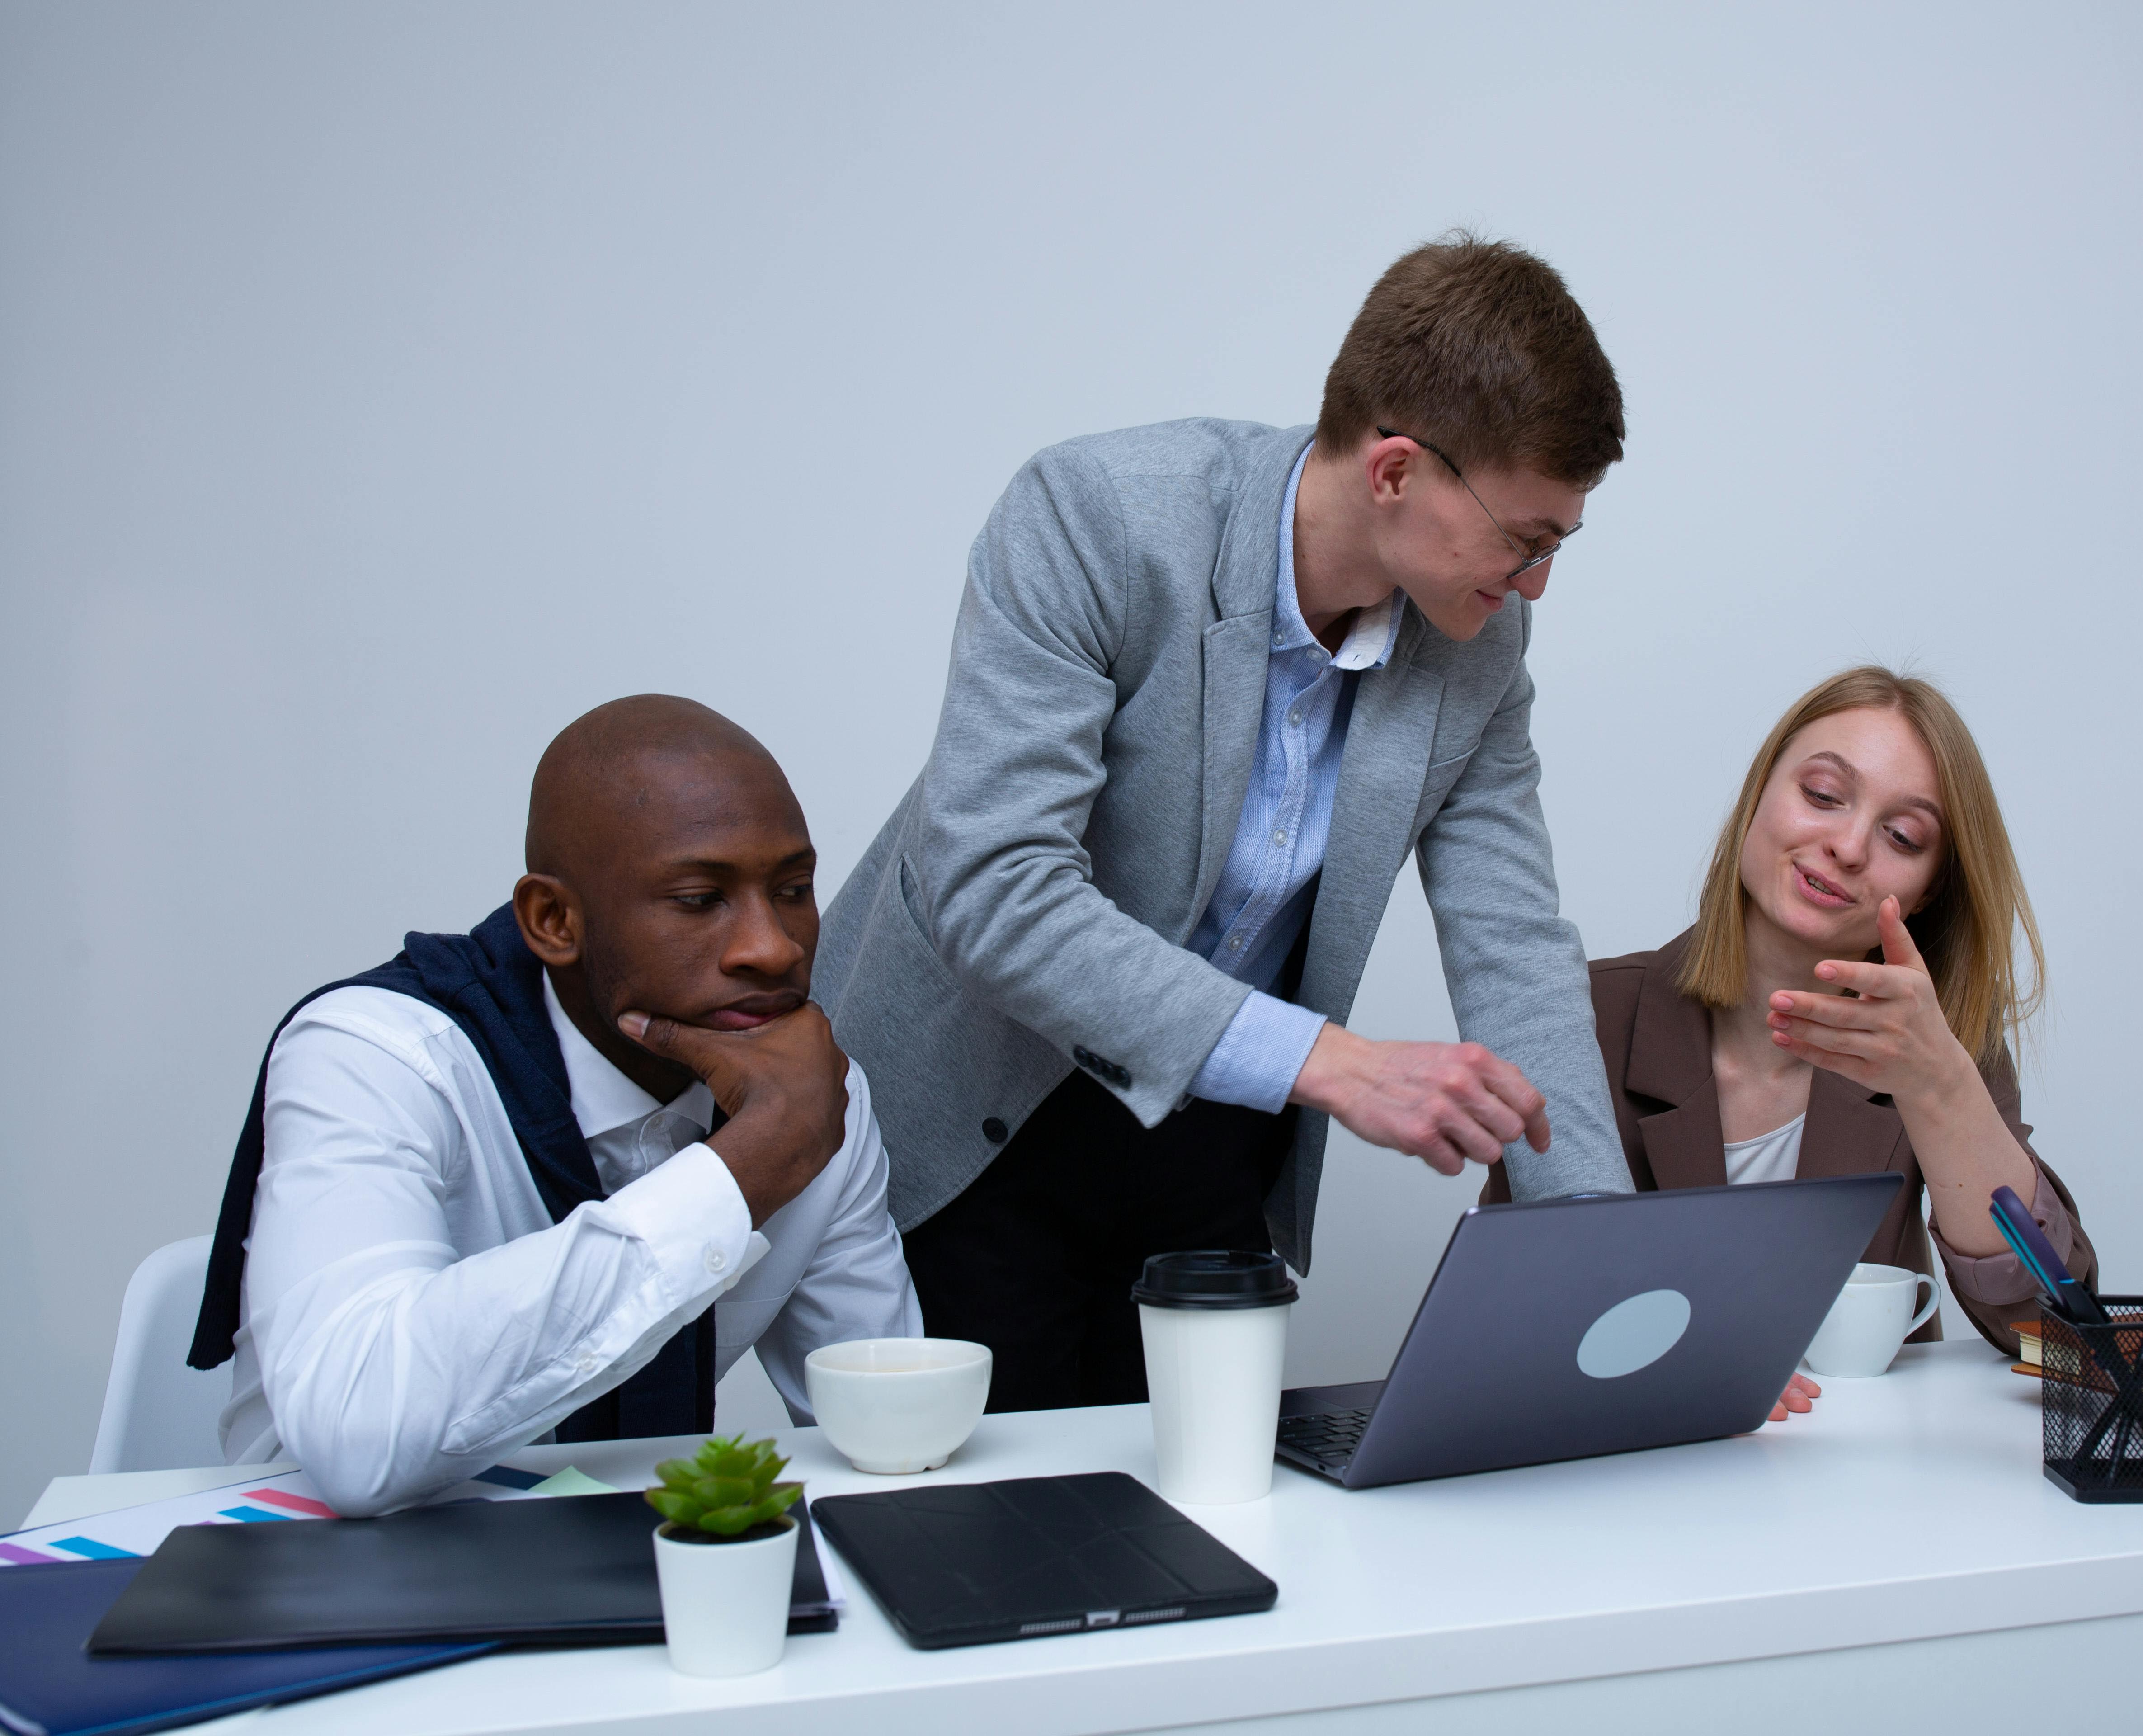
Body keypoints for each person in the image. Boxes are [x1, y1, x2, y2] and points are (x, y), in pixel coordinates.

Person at [814, 234, 1638, 1412]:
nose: (1537, 584)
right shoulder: (1098, 517)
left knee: (1203, 1534)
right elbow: (994, 893)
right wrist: (1330, 1062)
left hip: (1211, 1146)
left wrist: (1604, 1272)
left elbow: (1515, 947)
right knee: (983, 1550)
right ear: (1397, 472)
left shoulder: (1479, 644)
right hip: (976, 1127)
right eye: (1526, 539)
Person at [189, 696, 920, 1514]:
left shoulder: (810, 1094)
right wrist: (738, 1176)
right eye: (698, 899)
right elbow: (359, 1437)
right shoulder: (376, 1057)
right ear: (553, 921)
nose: (774, 946)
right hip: (324, 1574)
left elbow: (885, 1424)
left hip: (645, 1583)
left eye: (791, 890)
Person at [1483, 666, 2098, 1398]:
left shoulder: (1940, 1041)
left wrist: (1942, 1086)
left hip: (1857, 1485)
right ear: (1758, 797)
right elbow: (1508, 1313)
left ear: (1931, 886)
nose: (1847, 846)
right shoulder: (1579, 1014)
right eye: (1823, 796)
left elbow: (2051, 1330)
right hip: (1635, 1473)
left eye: (1902, 835)